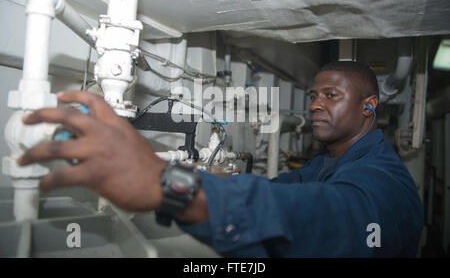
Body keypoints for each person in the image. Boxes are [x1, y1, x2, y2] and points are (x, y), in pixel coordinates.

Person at [17, 61, 424, 257]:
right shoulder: (325, 164)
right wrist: (195, 177)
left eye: (331, 96)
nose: (316, 105)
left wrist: (170, 185)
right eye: (314, 95)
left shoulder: (383, 181)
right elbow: (274, 190)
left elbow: (329, 218)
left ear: (369, 106)